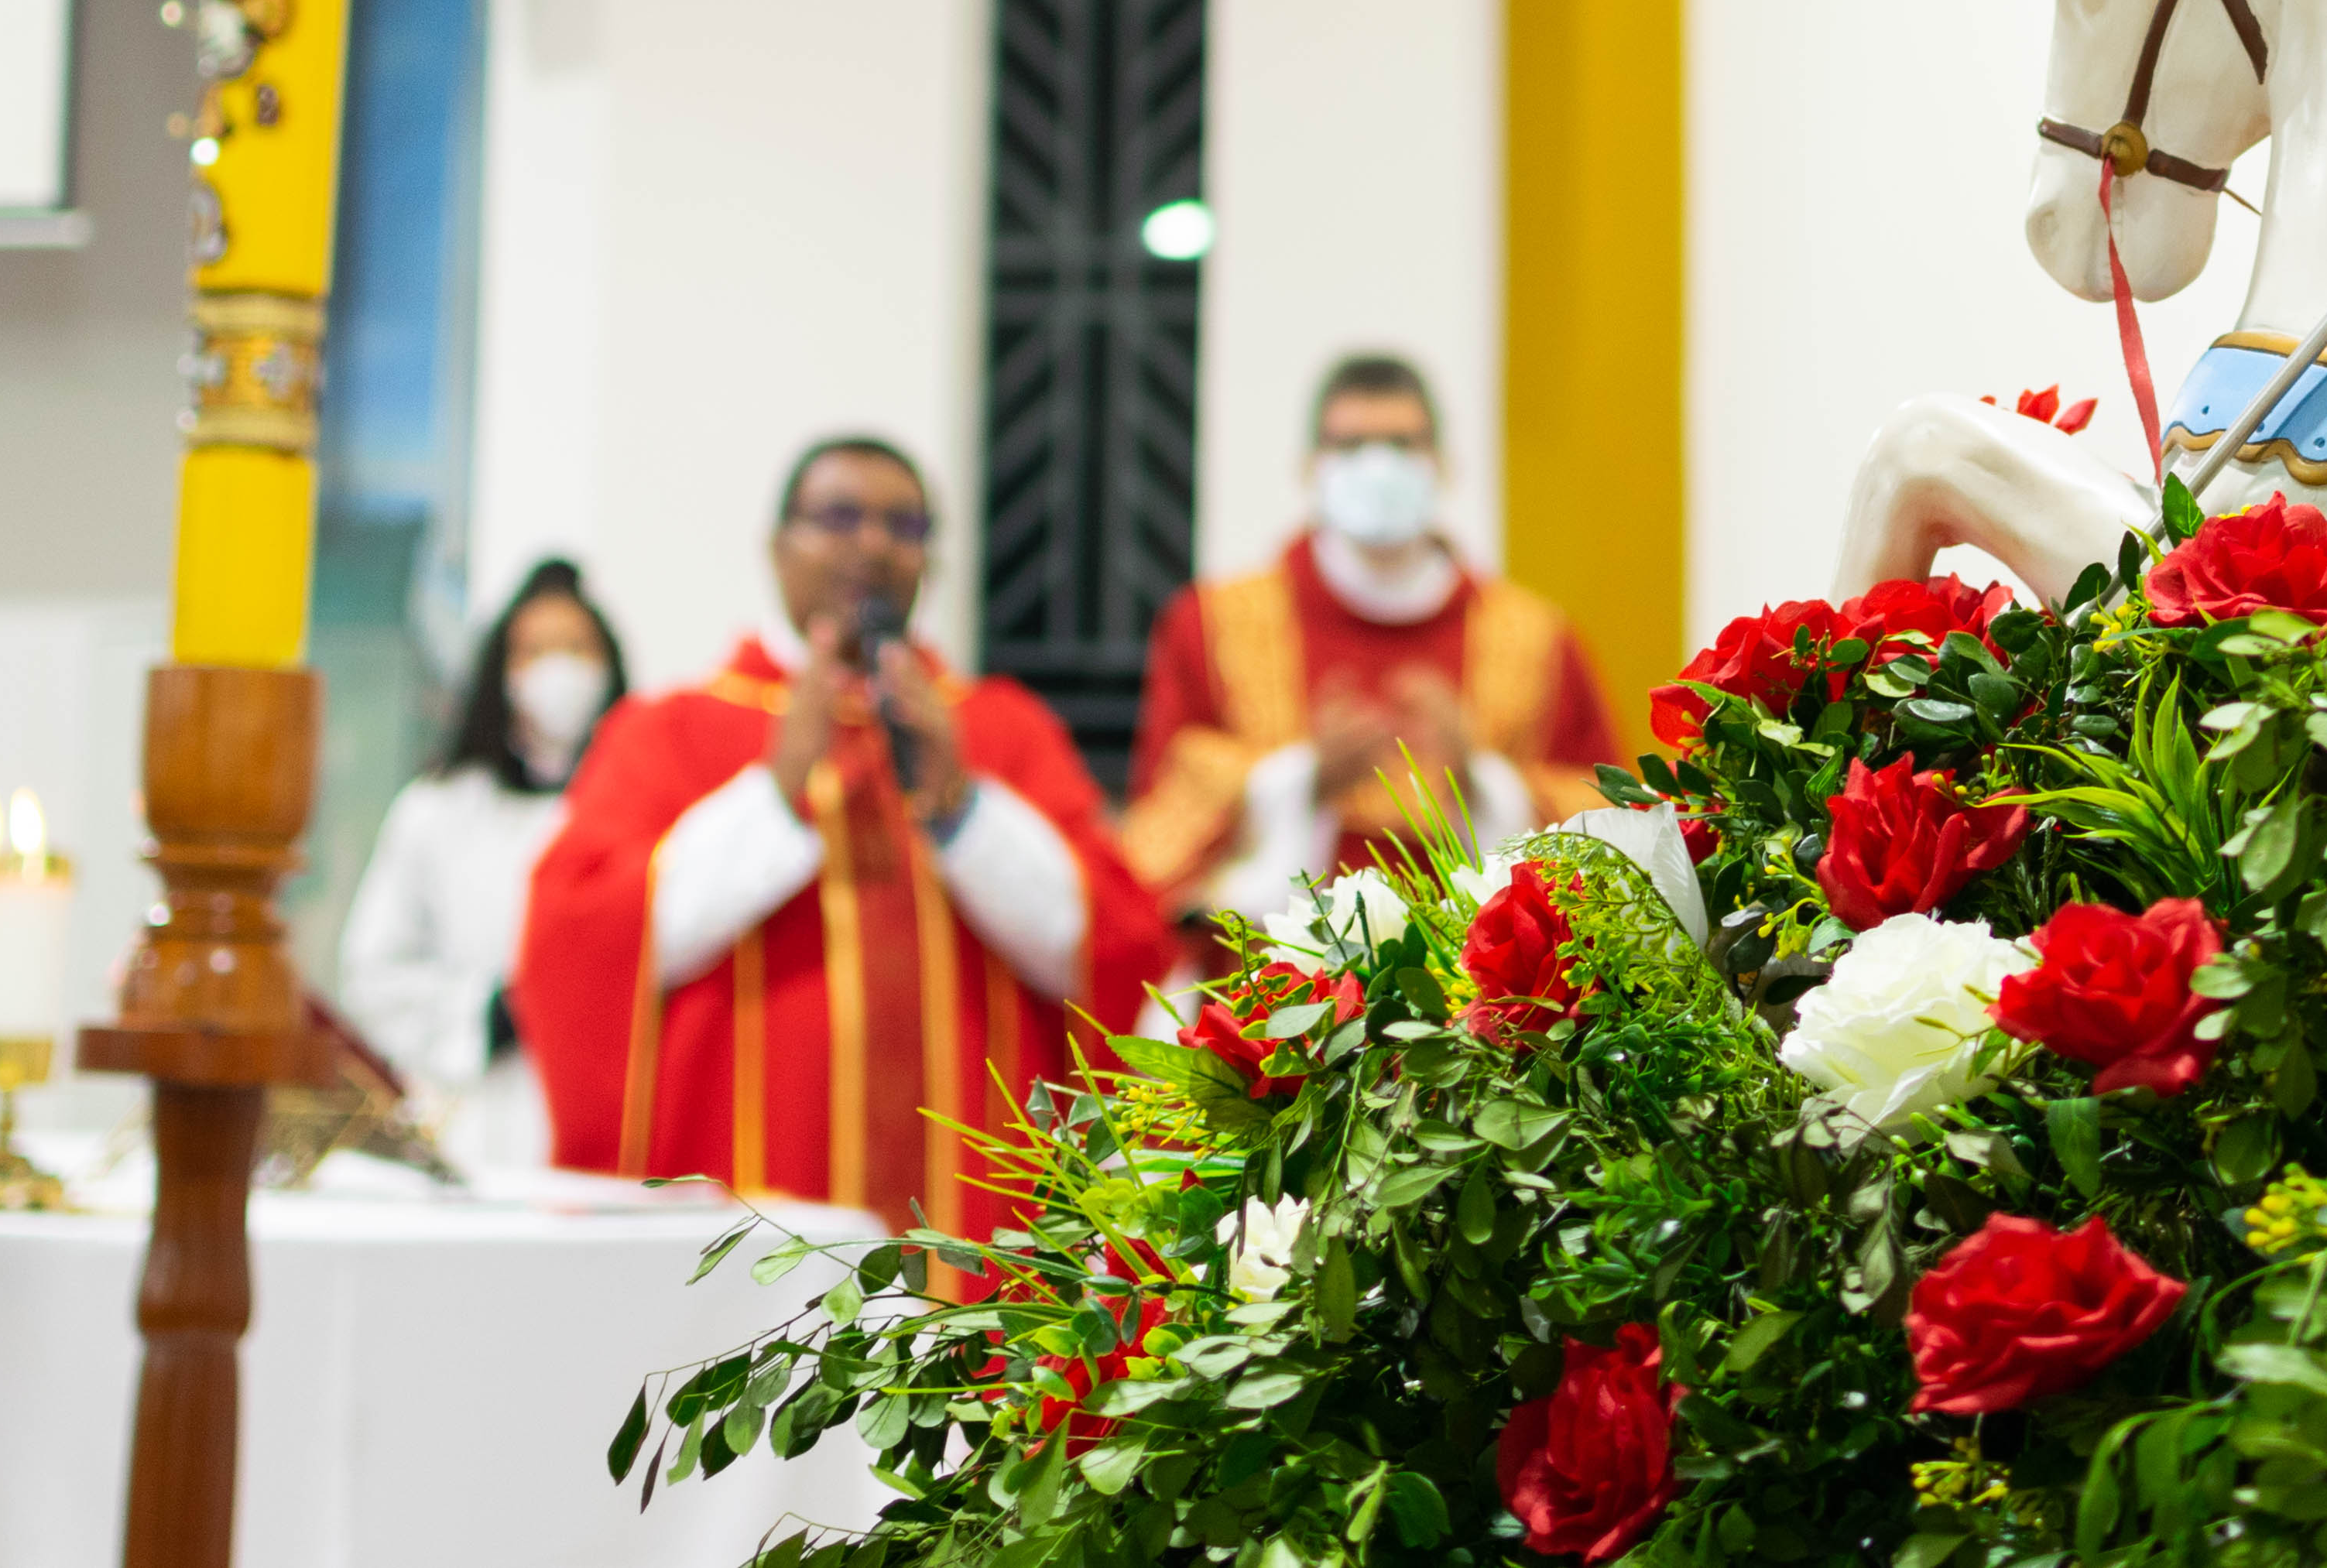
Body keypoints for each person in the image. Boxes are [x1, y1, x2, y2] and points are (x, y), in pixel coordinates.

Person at [516, 439, 1172, 1242]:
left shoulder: (1001, 729)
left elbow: (1108, 945)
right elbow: (580, 942)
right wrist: (774, 795)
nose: (873, 545)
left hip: (973, 1236)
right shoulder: (672, 732)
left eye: (904, 525)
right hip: (745, 1214)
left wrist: (963, 812)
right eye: (839, 518)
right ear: (777, 546)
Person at [1123, 354, 1623, 938]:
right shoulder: (1211, 625)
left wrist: (1479, 778)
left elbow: (1608, 833)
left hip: (1478, 996)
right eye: (1351, 445)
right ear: (1311, 466)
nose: (1378, 467)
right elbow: (1155, 821)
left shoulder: (1536, 638)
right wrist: (1301, 776)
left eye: (1402, 443)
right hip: (1263, 989)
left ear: (1441, 464)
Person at [336, 558, 625, 1170]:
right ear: (501, 671)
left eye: (578, 648)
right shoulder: (439, 809)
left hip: (613, 1104)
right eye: (535, 651)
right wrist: (490, 1014)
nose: (559, 670)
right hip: (481, 1111)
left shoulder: (640, 807)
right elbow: (373, 969)